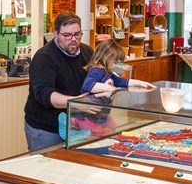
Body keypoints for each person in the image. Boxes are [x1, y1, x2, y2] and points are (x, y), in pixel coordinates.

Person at [57, 39, 157, 140]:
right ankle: (72, 121)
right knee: (95, 132)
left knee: (112, 126)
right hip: (89, 113)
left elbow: (121, 81)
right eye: (115, 62)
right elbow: (87, 85)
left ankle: (79, 122)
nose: (116, 65)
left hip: (101, 112)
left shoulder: (108, 72)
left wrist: (140, 83)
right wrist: (110, 88)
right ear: (106, 57)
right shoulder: (98, 70)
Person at [23, 12, 94, 151]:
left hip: (78, 126)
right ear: (56, 34)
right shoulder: (43, 57)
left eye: (77, 34)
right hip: (46, 129)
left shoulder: (88, 51)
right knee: (46, 169)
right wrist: (75, 102)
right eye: (67, 35)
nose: (73, 39)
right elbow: (45, 94)